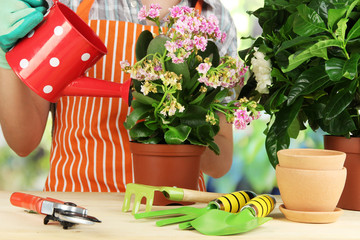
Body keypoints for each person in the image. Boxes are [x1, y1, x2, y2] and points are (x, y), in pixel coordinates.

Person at [0, 0, 238, 192]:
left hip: (174, 215)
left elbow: (221, 161)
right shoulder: (69, 4)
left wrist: (172, 116)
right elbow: (23, 142)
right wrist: (5, 56)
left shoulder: (215, 19)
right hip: (76, 208)